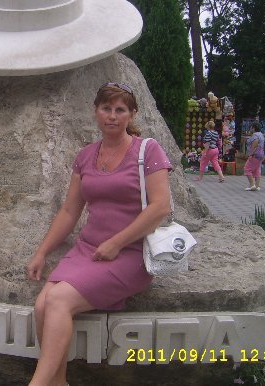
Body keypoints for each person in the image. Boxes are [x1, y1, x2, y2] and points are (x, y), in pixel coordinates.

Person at [26, 82, 172, 386]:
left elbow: (160, 207)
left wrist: (117, 243)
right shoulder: (86, 156)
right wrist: (42, 252)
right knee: (41, 305)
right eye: (106, 108)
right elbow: (69, 211)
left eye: (120, 109)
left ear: (132, 114)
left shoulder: (148, 150)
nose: (112, 116)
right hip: (88, 250)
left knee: (58, 300)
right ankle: (58, 383)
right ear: (96, 111)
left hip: (130, 253)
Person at [243, 121, 264, 191]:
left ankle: (252, 185)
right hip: (261, 155)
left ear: (254, 128)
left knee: (247, 169)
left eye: (251, 127)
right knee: (257, 169)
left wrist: (251, 154)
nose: (251, 129)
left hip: (255, 155)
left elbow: (255, 144)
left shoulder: (255, 135)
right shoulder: (261, 134)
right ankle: (257, 186)